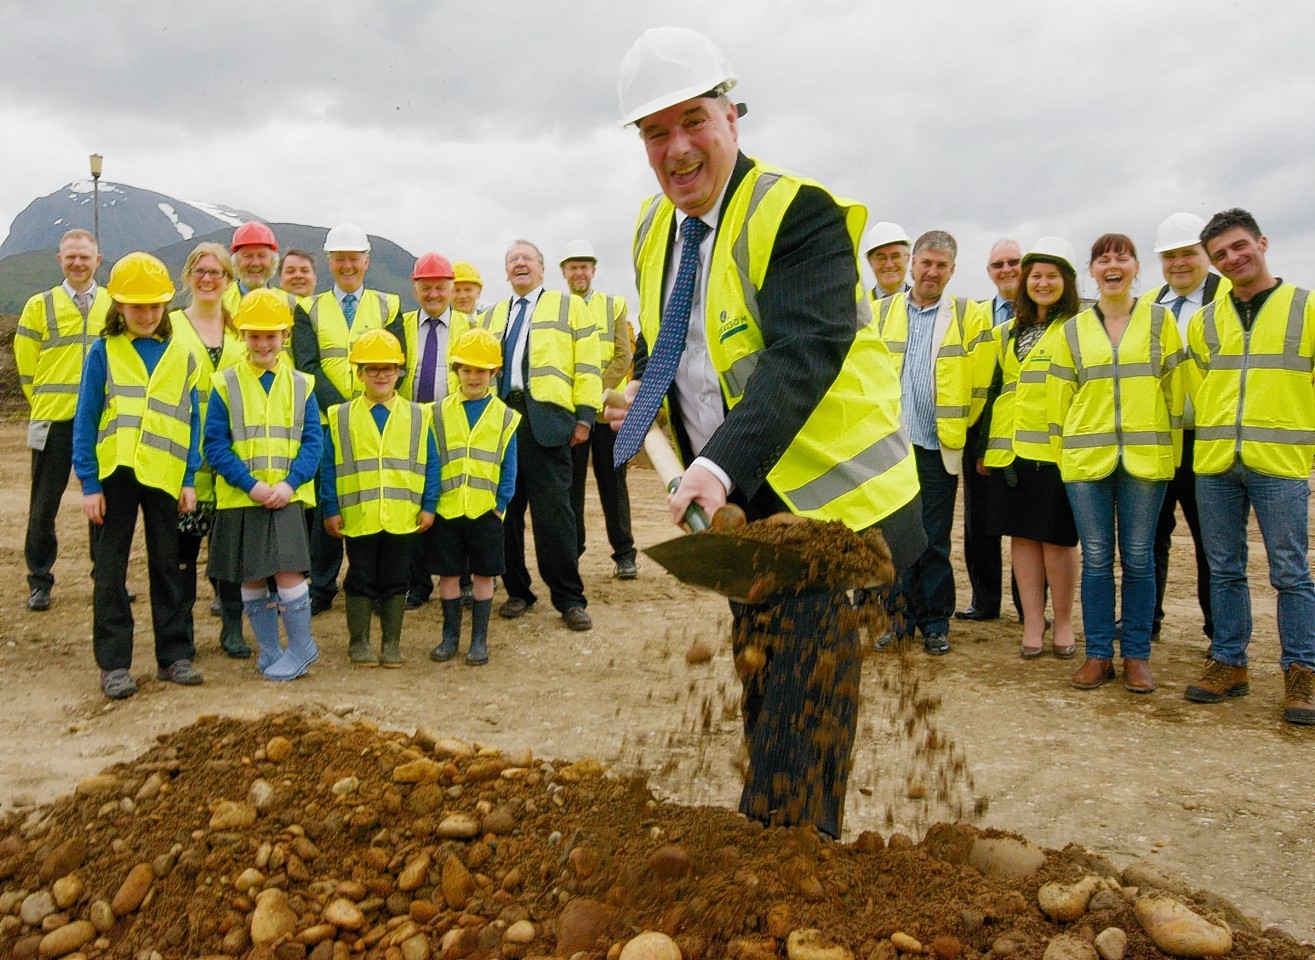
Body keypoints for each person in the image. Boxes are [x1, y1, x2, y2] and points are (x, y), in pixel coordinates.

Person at [609, 27, 924, 839]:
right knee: (762, 666)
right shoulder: (653, 229)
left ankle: (796, 861)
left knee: (804, 695)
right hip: (743, 505)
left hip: (832, 508)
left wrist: (714, 465)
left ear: (732, 116)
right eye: (655, 132)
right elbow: (676, 341)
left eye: (693, 122)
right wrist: (646, 392)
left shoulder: (798, 213)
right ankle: (765, 840)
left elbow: (804, 353)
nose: (676, 149)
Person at [1182, 208, 1315, 725]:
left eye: (1240, 247)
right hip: (1215, 462)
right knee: (1225, 568)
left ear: (1261, 242)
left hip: (1278, 462)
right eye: (1220, 254)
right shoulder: (1205, 320)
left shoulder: (1304, 308)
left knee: (1291, 572)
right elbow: (1200, 389)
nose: (1233, 258)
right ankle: (1229, 661)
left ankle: (1301, 672)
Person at [1050, 234, 1183, 694]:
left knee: (1141, 558)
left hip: (1146, 459)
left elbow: (1177, 391)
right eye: (1103, 258)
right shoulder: (1073, 330)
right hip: (1087, 460)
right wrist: (1063, 456)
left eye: (1121, 256)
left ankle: (1137, 656)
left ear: (1135, 267)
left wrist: (1174, 455)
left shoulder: (1161, 321)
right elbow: (1059, 399)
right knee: (1098, 558)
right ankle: (1099, 653)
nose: (1112, 264)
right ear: (1092, 271)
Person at [72, 252, 203, 700]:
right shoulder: (103, 352)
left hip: (165, 477)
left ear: (165, 306)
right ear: (120, 307)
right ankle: (114, 664)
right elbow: (86, 419)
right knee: (110, 572)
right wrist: (89, 484)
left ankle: (174, 656)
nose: (146, 315)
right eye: (136, 306)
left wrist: (188, 478)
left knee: (169, 567)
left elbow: (191, 421)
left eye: (154, 306)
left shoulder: (183, 355)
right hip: (116, 477)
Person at [874, 231, 994, 655]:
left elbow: (980, 383)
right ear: (912, 264)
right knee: (892, 539)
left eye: (941, 265)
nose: (932, 271)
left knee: (933, 540)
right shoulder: (880, 312)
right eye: (925, 263)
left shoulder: (969, 315)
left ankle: (935, 622)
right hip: (889, 449)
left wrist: (958, 430)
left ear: (952, 271)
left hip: (936, 447)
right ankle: (896, 620)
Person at [476, 240, 600, 631]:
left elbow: (587, 365)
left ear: (543, 270)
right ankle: (518, 592)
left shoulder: (570, 307)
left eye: (526, 259)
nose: (519, 265)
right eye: (512, 260)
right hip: (501, 422)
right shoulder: (490, 315)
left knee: (554, 516)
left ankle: (569, 598)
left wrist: (584, 417)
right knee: (505, 514)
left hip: (547, 423)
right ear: (506, 272)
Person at [207, 289, 323, 681]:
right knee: (251, 576)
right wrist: (251, 485)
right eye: (254, 335)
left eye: (271, 335)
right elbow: (215, 446)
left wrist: (290, 485)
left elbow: (313, 443)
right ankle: (271, 650)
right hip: (243, 498)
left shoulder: (302, 384)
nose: (263, 343)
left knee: (288, 573)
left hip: (286, 498)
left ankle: (302, 648)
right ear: (242, 335)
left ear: (285, 336)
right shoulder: (223, 383)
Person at [292, 222, 405, 615]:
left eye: (354, 258)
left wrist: (368, 409)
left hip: (377, 423)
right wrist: (343, 411)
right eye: (339, 258)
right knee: (329, 506)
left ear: (367, 261)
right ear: (329, 262)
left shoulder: (389, 305)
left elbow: (396, 362)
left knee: (369, 503)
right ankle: (321, 588)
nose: (347, 265)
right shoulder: (308, 307)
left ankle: (367, 585)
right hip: (327, 423)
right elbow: (307, 366)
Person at [976, 238, 1080, 659]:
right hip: (1012, 454)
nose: (1042, 283)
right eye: (1036, 275)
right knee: (1021, 539)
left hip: (1057, 451)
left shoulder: (1076, 326)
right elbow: (998, 388)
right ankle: (1033, 622)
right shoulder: (1008, 332)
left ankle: (1065, 621)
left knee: (1056, 541)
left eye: (1052, 276)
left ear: (1066, 282)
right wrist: (985, 446)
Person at [320, 329, 439, 667]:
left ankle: (391, 643)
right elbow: (329, 466)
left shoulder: (419, 415)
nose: (382, 375)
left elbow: (431, 464)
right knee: (360, 577)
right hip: (359, 516)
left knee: (396, 578)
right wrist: (330, 507)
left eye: (389, 368)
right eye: (372, 368)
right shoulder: (341, 416)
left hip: (403, 517)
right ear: (359, 373)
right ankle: (359, 643)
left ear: (399, 371)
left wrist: (428, 505)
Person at [1140, 212, 1232, 642]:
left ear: (1207, 255)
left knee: (1214, 545)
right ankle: (1145, 624)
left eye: (1188, 253)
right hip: (1160, 441)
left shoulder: (1231, 299)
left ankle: (1219, 631)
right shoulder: (1151, 307)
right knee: (1150, 540)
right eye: (1169, 256)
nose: (1179, 263)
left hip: (1210, 441)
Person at [16, 229, 111, 612]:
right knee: (43, 506)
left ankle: (105, 577)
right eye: (70, 256)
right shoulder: (38, 306)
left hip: (103, 423)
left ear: (97, 261)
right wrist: (43, 402)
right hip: (52, 421)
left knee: (103, 504)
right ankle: (40, 580)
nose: (77, 263)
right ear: (60, 260)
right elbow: (26, 368)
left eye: (84, 257)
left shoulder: (112, 305)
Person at [170, 242, 250, 658]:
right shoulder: (170, 327)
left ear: (228, 280)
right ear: (188, 277)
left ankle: (232, 628)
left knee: (229, 555)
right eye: (200, 271)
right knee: (180, 557)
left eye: (216, 272)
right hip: (185, 462)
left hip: (232, 464)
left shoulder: (241, 332)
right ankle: (179, 634)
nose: (207, 278)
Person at [430, 329, 521, 665]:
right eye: (466, 369)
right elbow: (431, 459)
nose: (473, 377)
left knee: (484, 576)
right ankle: (449, 637)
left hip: (486, 511)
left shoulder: (506, 416)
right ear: (456, 370)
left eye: (480, 371)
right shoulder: (437, 412)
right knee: (449, 576)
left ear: (493, 373)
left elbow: (508, 466)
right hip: (448, 509)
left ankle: (478, 641)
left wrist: (500, 505)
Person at [561, 239, 639, 579]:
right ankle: (571, 552)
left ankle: (624, 554)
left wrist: (594, 390)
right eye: (573, 267)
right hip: (573, 414)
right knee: (570, 488)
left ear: (593, 270)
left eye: (584, 266)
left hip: (607, 415)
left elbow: (624, 356)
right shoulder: (556, 308)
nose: (579, 273)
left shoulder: (614, 305)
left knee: (613, 486)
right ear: (564, 272)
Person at [400, 252, 472, 608]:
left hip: (453, 427)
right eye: (425, 287)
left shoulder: (469, 328)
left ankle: (461, 578)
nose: (433, 294)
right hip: (410, 426)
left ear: (451, 288)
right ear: (416, 289)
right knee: (414, 502)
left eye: (439, 287)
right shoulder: (400, 326)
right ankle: (417, 583)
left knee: (456, 501)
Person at [959, 238, 1023, 623]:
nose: (1006, 270)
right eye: (998, 264)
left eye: (1014, 262)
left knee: (1023, 523)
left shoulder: (1042, 315)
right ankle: (985, 602)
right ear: (989, 272)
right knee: (979, 521)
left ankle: (1027, 608)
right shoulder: (976, 315)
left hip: (1026, 430)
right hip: (978, 427)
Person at [222, 222, 280, 315]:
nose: (255, 263)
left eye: (262, 256)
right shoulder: (219, 301)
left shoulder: (288, 304)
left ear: (273, 262)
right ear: (235, 262)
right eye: (247, 256)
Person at [862, 221, 911, 301]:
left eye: (896, 257)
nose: (889, 265)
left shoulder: (925, 305)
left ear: (907, 258)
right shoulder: (859, 307)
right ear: (870, 261)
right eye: (882, 258)